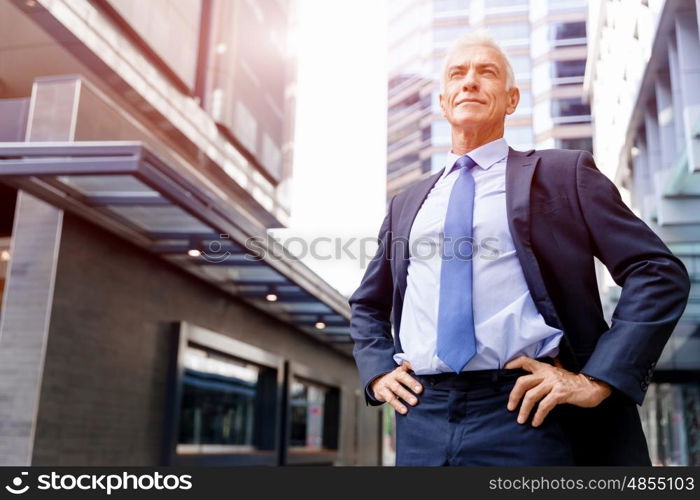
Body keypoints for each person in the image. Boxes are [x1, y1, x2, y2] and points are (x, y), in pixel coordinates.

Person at [348, 30, 691, 466]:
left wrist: (598, 378)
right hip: (421, 417)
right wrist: (377, 370)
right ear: (443, 100)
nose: (469, 81)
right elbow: (368, 304)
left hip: (525, 413)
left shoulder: (565, 174)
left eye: (485, 72)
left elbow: (656, 271)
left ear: (511, 100)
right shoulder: (407, 203)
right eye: (457, 73)